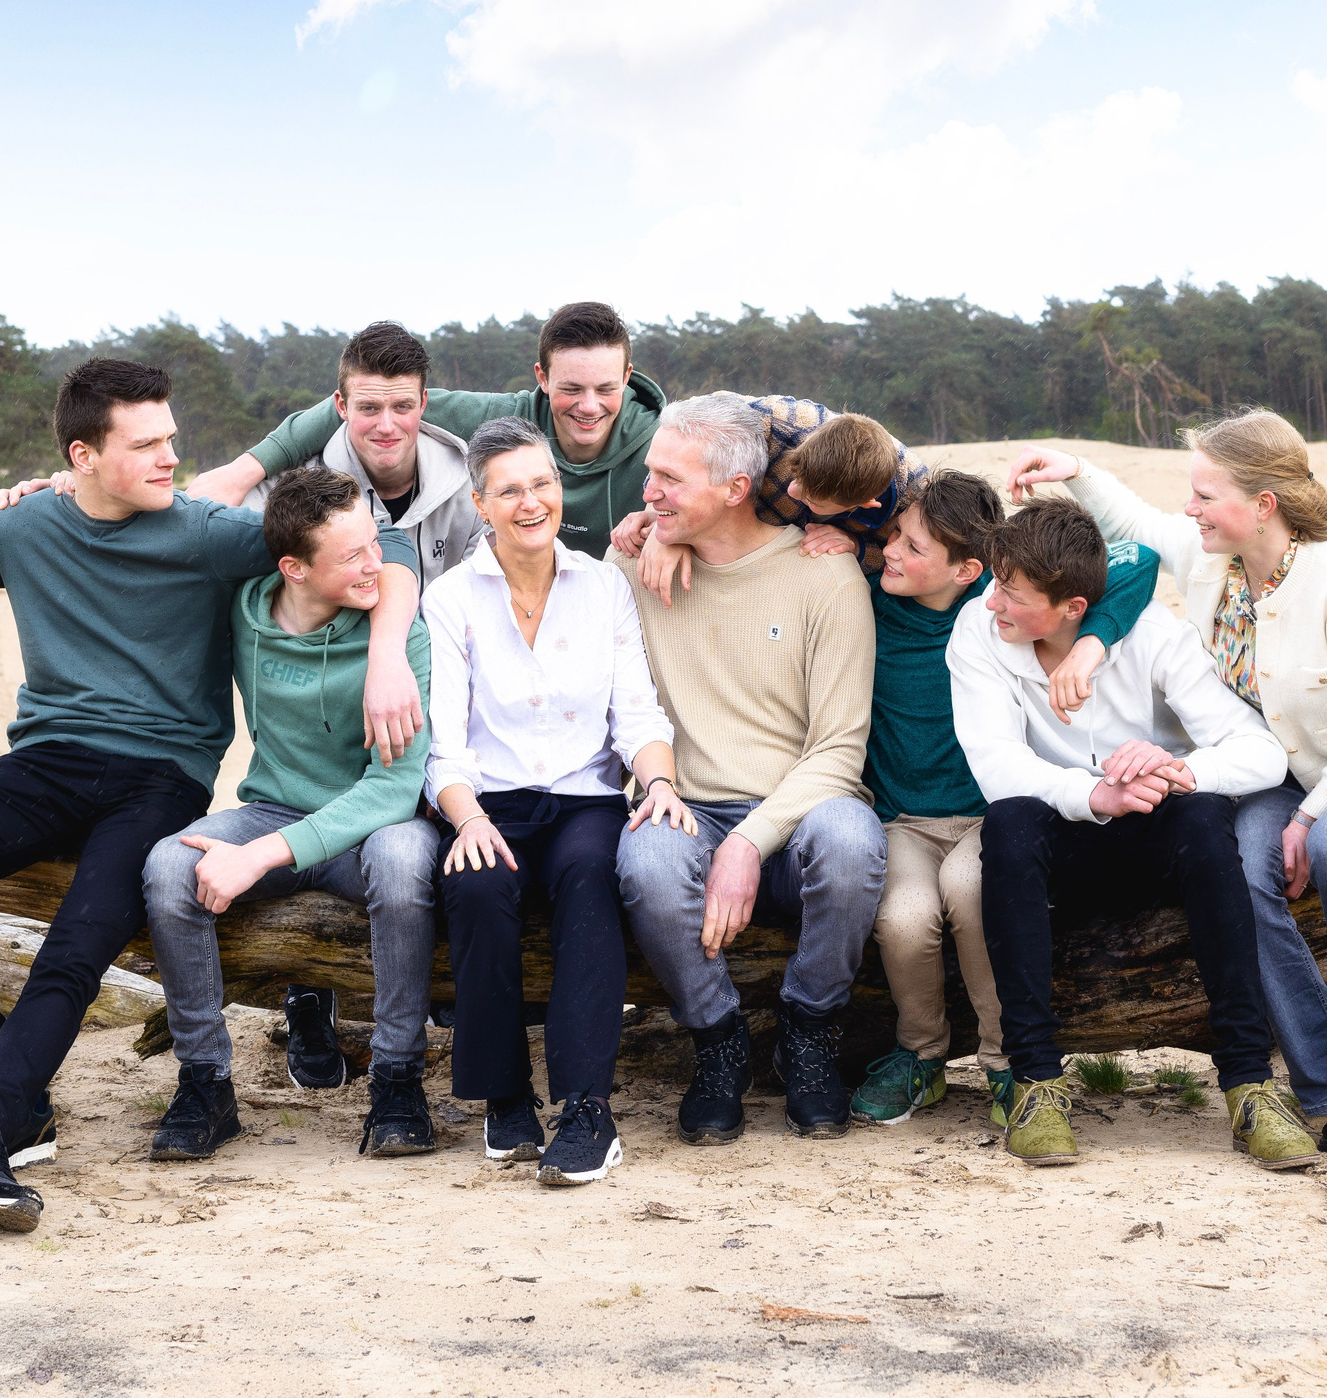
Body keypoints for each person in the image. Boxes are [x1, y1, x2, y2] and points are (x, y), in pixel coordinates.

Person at [0, 359, 420, 1233]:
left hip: (159, 779)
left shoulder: (205, 533)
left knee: (77, 946)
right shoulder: (18, 528)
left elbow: (378, 555)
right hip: (42, 764)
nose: (171, 457)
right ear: (82, 455)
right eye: (147, 443)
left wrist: (387, 650)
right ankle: (7, 1089)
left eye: (172, 437)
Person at [1009, 416, 1327, 1161]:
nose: (1191, 508)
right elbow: (1139, 526)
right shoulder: (1213, 559)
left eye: (1206, 493)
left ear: (1264, 504)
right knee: (1251, 873)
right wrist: (1074, 468)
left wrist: (1313, 814)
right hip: (1280, 767)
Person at [949, 501, 1297, 1169]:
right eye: (995, 584)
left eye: (1012, 594)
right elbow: (997, 767)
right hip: (1062, 836)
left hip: (1154, 834)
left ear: (1074, 607)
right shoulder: (978, 631)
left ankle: (1250, 1085)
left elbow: (1261, 754)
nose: (992, 602)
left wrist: (1175, 770)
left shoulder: (1155, 638)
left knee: (1203, 814)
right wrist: (1094, 794)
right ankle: (1038, 1084)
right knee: (1010, 819)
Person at [842, 468, 1165, 1129]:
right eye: (895, 537)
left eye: (912, 546)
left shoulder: (996, 607)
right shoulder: (870, 600)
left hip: (990, 812)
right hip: (902, 816)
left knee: (969, 890)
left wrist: (1092, 643)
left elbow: (1140, 558)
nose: (891, 552)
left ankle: (1005, 1059)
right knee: (904, 918)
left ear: (970, 570)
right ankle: (921, 1054)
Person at [139, 466, 441, 1164]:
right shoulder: (244, 612)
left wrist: (262, 855)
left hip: (372, 824)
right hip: (274, 807)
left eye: (377, 543)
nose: (380, 564)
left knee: (403, 862)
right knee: (168, 866)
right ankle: (206, 1081)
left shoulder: (403, 640)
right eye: (354, 555)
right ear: (292, 569)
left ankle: (398, 1081)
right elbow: (166, 524)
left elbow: (394, 790)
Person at [610, 391, 883, 1143]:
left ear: (736, 488)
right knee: (648, 865)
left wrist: (747, 841)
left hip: (797, 814)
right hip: (685, 804)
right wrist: (655, 530)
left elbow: (839, 749)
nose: (649, 491)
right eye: (649, 474)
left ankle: (809, 1030)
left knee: (853, 843)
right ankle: (719, 1039)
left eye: (670, 479)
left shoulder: (825, 574)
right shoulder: (631, 566)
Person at [425, 417, 690, 1186]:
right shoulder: (451, 600)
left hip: (584, 800)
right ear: (480, 503)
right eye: (510, 490)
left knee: (588, 880)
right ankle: (505, 1097)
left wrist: (661, 782)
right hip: (489, 801)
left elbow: (637, 713)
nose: (532, 501)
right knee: (474, 886)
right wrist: (466, 816)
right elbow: (443, 740)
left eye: (542, 483)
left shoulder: (603, 586)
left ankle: (586, 1108)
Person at [191, 301, 662, 558]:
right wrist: (243, 471)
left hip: (620, 603)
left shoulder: (664, 440)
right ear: (541, 378)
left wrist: (668, 535)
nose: (588, 406)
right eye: (570, 387)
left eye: (605, 387)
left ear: (627, 376)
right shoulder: (503, 419)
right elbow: (363, 401)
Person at [243, 320, 481, 585]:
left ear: (423, 402)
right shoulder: (286, 492)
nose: (387, 427)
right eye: (369, 408)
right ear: (342, 406)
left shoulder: (473, 484)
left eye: (402, 407)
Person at [612, 403, 930, 585]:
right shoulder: (782, 423)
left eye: (811, 499)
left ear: (864, 504)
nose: (792, 490)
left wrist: (859, 548)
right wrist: (667, 527)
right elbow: (683, 441)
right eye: (796, 475)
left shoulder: (916, 500)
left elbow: (935, 563)